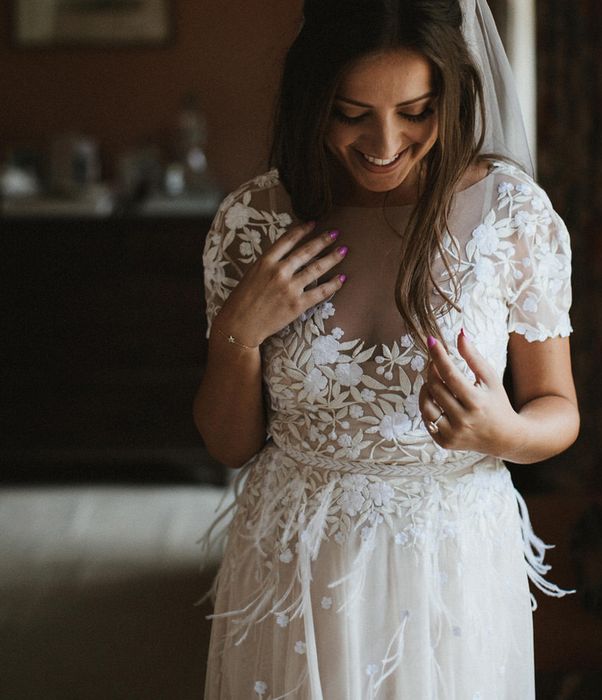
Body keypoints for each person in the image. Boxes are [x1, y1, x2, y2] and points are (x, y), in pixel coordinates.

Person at [193, 0, 579, 697]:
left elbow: (559, 408)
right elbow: (229, 445)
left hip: (453, 558)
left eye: (415, 110)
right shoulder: (255, 219)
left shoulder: (510, 213)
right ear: (314, 98)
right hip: (294, 558)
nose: (383, 142)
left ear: (453, 95)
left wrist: (505, 430)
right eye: (351, 112)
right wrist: (240, 333)